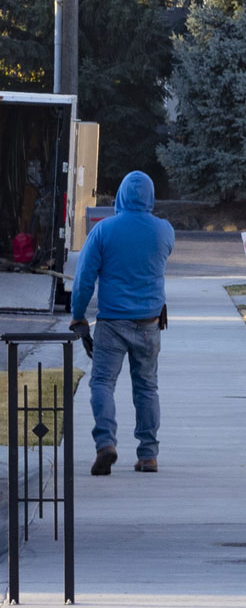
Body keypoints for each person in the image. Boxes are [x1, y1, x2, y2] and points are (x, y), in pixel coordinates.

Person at [68, 170, 175, 475]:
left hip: (112, 323)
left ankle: (106, 444)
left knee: (102, 382)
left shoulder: (103, 231)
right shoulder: (164, 231)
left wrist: (78, 317)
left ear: (120, 195)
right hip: (150, 323)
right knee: (147, 387)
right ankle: (148, 455)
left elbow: (84, 279)